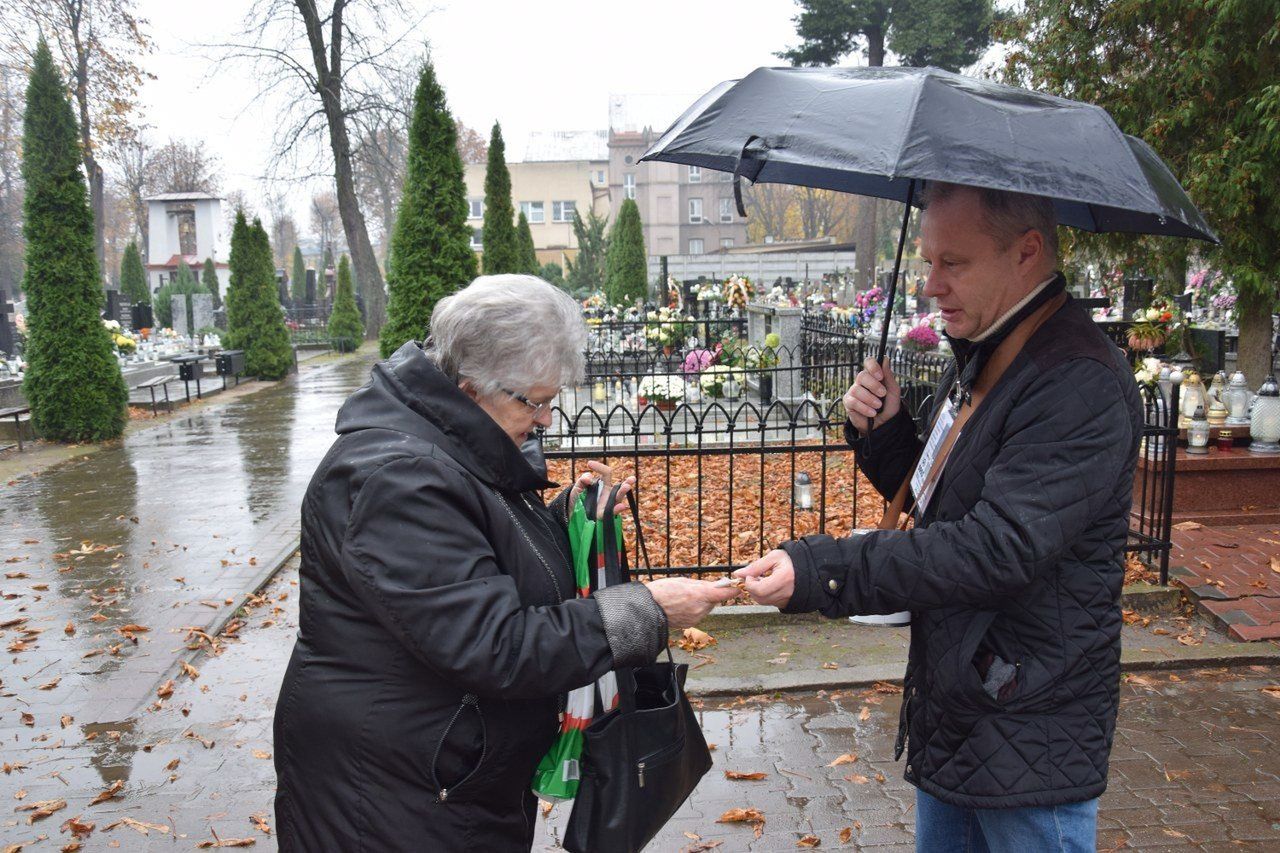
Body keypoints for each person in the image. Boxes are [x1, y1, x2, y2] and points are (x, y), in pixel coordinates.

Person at [736, 183, 1144, 852]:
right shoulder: (991, 351)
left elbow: (995, 547)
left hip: (1026, 736)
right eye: (927, 261)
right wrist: (887, 429)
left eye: (952, 262)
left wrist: (826, 568)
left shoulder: (1077, 380)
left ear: (1027, 253)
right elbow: (939, 503)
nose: (931, 285)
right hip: (963, 713)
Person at [274, 274, 735, 851]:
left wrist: (572, 521)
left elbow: (484, 552)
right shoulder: (396, 477)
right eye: (536, 402)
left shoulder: (458, 445)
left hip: (452, 775)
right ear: (471, 389)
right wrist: (644, 612)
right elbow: (494, 645)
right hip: (395, 793)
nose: (546, 418)